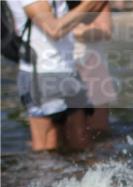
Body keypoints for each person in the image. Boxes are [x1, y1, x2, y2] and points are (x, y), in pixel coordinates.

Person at [8, 0, 108, 151]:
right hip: (41, 73)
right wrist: (90, 4)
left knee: (81, 144)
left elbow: (85, 17)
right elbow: (53, 29)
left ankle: (80, 174)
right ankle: (44, 175)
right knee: (47, 149)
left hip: (68, 68)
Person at [73, 1, 114, 137]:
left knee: (99, 133)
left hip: (92, 68)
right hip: (56, 69)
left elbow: (105, 30)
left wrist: (62, 29)